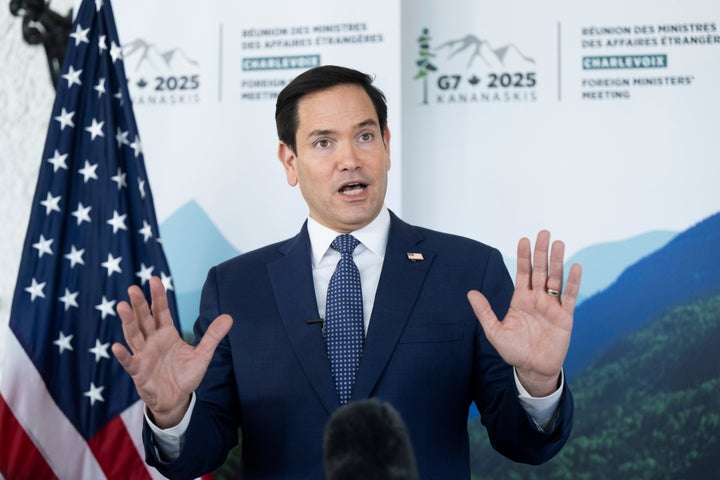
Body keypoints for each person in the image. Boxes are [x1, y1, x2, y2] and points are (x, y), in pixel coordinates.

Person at [112, 65, 582, 479]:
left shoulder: (467, 272)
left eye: (364, 135)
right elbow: (199, 455)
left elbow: (521, 443)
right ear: (290, 162)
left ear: (386, 145)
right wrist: (172, 414)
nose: (350, 159)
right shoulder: (237, 288)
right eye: (323, 143)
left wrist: (539, 385)